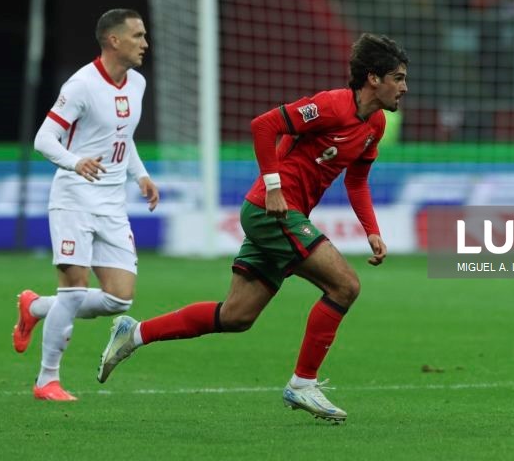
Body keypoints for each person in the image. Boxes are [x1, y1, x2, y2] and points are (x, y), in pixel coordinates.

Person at [96, 33, 408, 422]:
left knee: (236, 316)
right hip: (270, 210)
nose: (404, 87)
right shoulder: (330, 106)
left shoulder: (374, 125)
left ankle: (135, 333)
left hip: (281, 217)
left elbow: (357, 181)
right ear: (373, 79)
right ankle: (302, 384)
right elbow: (264, 125)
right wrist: (275, 187)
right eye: (398, 77)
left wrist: (371, 229)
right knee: (345, 285)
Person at [11, 9, 158, 401]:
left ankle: (36, 307)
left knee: (119, 298)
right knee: (74, 290)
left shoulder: (138, 83)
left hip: (111, 203)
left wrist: (139, 174)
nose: (145, 43)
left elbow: (122, 138)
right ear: (114, 41)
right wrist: (76, 161)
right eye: (138, 35)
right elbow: (44, 139)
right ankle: (47, 380)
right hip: (74, 197)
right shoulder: (80, 85)